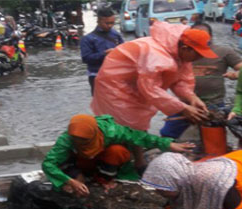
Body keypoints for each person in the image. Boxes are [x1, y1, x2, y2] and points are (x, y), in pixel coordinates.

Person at [91, 21, 215, 172]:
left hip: (136, 83)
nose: (199, 59)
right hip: (115, 84)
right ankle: (130, 162)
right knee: (129, 124)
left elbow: (180, 80)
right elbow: (150, 88)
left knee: (139, 121)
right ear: (185, 48)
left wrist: (192, 98)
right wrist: (183, 108)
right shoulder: (155, 54)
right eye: (198, 55)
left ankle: (135, 160)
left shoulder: (180, 55)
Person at [42, 114, 195, 196]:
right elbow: (48, 163)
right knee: (70, 178)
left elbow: (138, 137)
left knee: (117, 151)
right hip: (80, 163)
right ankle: (80, 177)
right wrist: (69, 181)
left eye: (85, 141)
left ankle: (103, 179)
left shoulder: (110, 130)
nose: (81, 144)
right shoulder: (66, 140)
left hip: (104, 160)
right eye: (77, 141)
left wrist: (168, 144)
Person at [160, 23, 242, 139]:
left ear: (210, 37)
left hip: (213, 103)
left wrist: (236, 75)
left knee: (213, 137)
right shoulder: (182, 54)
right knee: (168, 133)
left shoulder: (223, 51)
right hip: (185, 103)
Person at [80, 7, 124, 96]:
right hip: (96, 76)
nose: (110, 25)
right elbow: (86, 58)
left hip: (115, 75)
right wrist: (105, 54)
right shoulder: (87, 39)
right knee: (101, 105)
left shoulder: (116, 35)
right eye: (107, 23)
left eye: (112, 23)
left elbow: (124, 50)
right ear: (98, 21)